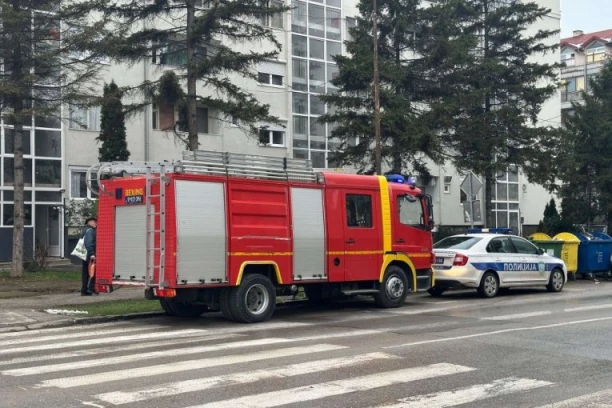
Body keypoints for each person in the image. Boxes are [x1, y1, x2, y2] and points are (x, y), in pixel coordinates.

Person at [81, 216, 97, 296]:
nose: (96, 224)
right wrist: (92, 254)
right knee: (92, 272)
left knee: (85, 273)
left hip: (84, 255)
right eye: (94, 222)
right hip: (89, 255)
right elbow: (88, 243)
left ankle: (84, 290)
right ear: (89, 222)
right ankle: (90, 289)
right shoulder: (90, 231)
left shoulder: (85, 230)